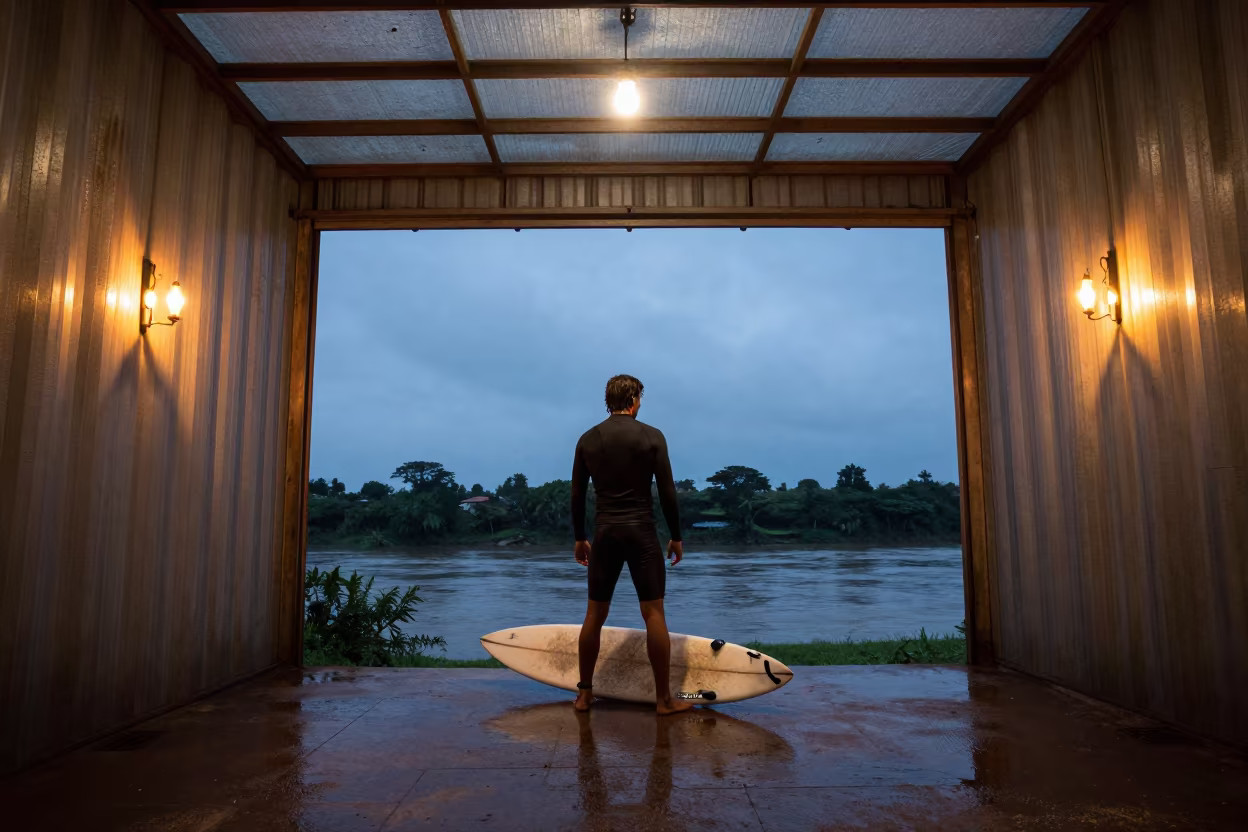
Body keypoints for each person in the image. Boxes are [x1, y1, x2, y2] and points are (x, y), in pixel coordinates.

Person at [570, 374, 694, 715]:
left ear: (608, 400)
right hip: (641, 532)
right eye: (640, 397)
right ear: (634, 399)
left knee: (594, 614)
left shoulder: (588, 439)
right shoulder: (652, 437)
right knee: (653, 613)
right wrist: (676, 536)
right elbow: (667, 492)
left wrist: (580, 537)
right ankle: (664, 700)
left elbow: (578, 494)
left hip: (606, 533)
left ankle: (584, 696)